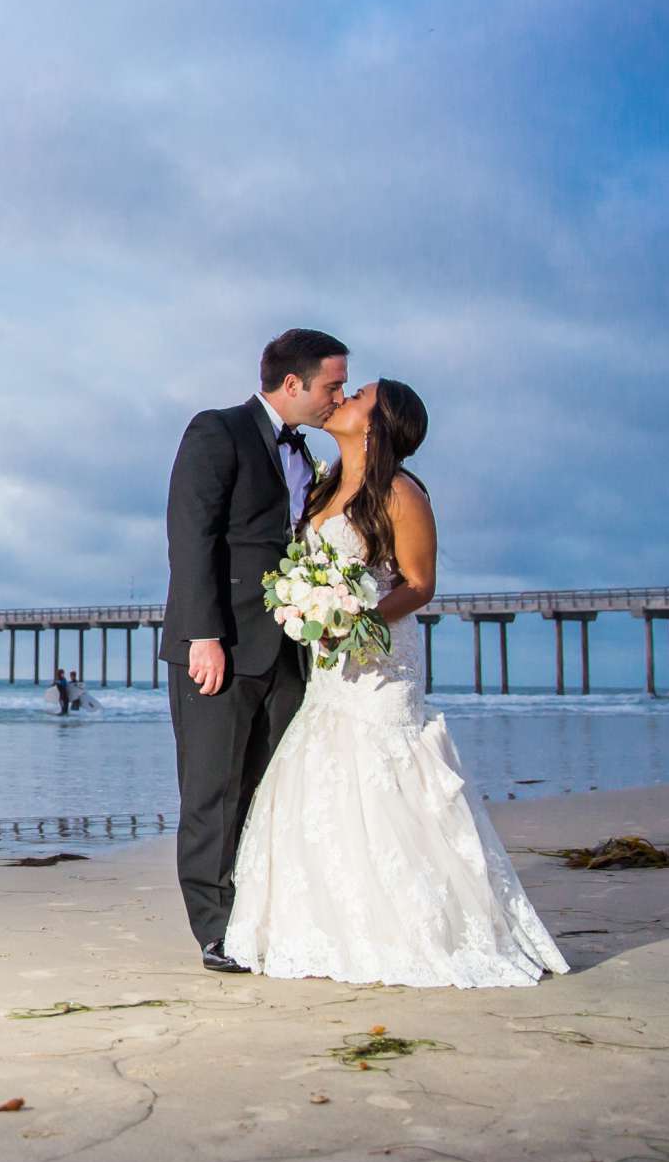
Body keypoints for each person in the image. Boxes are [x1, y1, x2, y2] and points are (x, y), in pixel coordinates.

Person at [223, 379, 568, 987]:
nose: (343, 398)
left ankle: (420, 929)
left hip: (380, 662)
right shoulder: (326, 484)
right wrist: (308, 607)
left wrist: (356, 618)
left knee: (387, 776)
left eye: (356, 395)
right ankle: (323, 926)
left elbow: (419, 582)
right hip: (330, 669)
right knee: (323, 775)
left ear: (378, 424)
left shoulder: (401, 492)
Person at [161, 328, 347, 973]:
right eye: (332, 385)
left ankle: (262, 914)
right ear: (291, 384)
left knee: (268, 790)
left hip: (288, 650)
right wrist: (201, 636)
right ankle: (216, 931)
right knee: (213, 790)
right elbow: (192, 536)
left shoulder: (309, 455)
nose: (338, 396)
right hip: (223, 645)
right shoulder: (218, 431)